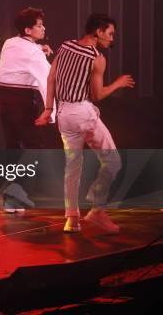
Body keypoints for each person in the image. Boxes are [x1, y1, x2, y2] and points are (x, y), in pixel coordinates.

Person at [36, 13, 134, 234]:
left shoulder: (65, 45)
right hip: (82, 112)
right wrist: (117, 83)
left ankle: (72, 219)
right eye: (110, 34)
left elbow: (51, 78)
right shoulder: (97, 57)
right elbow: (97, 94)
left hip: (63, 114)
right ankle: (97, 208)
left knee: (72, 168)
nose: (112, 39)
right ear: (98, 32)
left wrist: (48, 109)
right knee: (113, 161)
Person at [0, 7, 55, 213]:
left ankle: (11, 194)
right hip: (22, 102)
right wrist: (51, 110)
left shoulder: (10, 42)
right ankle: (14, 192)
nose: (43, 28)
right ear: (28, 30)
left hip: (4, 100)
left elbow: (25, 57)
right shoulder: (31, 51)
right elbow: (48, 79)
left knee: (13, 146)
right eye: (39, 25)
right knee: (34, 148)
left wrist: (40, 50)